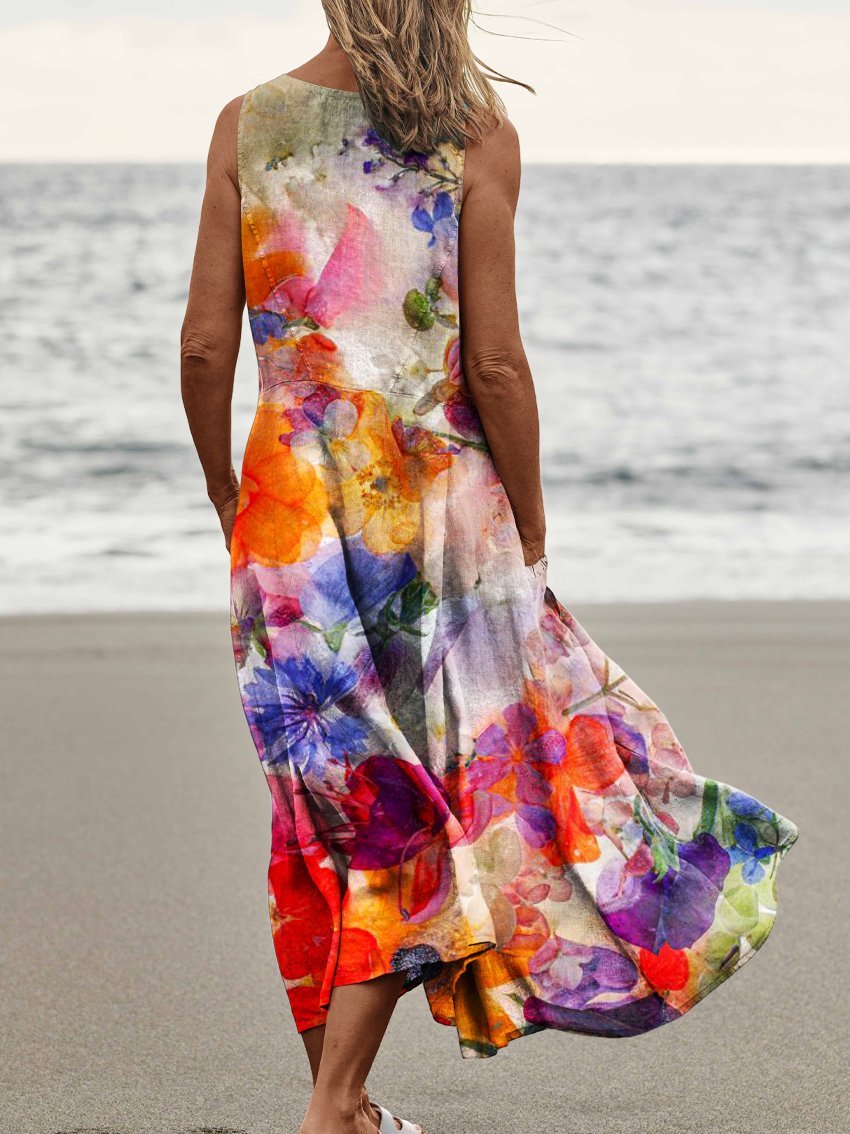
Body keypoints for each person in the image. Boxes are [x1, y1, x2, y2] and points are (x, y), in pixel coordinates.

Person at [180, 8, 799, 1134]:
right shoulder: (473, 129)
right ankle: (337, 1107)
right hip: (438, 510)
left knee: (328, 801)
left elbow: (204, 349)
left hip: (291, 511)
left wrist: (231, 491)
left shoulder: (248, 123)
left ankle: (344, 1102)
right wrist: (533, 524)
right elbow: (497, 360)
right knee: (435, 789)